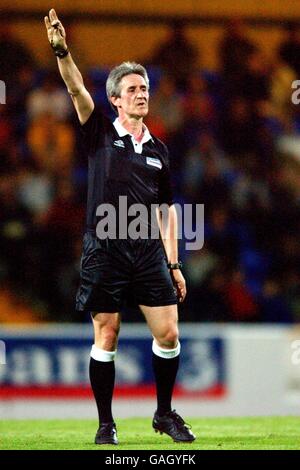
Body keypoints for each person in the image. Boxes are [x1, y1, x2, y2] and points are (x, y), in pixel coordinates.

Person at [44, 9, 195, 445]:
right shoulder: (98, 131)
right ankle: (106, 424)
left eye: (145, 87)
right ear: (115, 98)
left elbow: (167, 211)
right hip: (105, 247)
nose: (141, 93)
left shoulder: (160, 150)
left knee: (168, 333)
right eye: (133, 88)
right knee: (106, 332)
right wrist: (62, 51)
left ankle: (164, 414)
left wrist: (175, 264)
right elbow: (74, 87)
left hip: (149, 250)